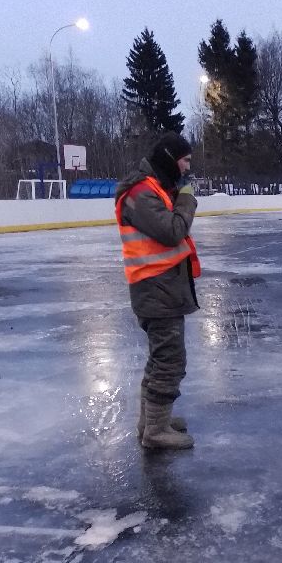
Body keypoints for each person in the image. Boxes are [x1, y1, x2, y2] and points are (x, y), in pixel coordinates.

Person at [114, 131, 200, 450]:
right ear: (168, 157)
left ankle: (151, 421)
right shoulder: (140, 193)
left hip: (163, 289)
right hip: (156, 291)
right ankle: (156, 429)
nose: (188, 167)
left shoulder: (155, 188)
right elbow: (172, 231)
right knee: (170, 361)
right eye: (185, 159)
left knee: (160, 358)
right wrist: (187, 199)